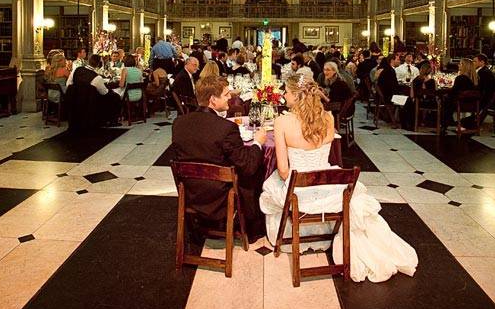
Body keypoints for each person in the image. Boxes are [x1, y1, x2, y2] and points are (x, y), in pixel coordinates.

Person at [259, 75, 417, 282]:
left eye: (286, 92)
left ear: (296, 96)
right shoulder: (328, 118)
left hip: (299, 192)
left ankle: (285, 236)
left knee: (270, 186)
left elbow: (282, 170)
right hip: (330, 188)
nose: (283, 95)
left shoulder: (282, 122)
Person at [172, 75, 267, 239]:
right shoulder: (226, 128)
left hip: (189, 193)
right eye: (226, 94)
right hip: (220, 197)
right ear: (212, 100)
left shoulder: (179, 123)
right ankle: (252, 225)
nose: (230, 97)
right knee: (257, 169)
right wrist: (258, 143)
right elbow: (249, 166)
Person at [66, 54, 121, 130]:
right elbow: (104, 93)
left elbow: (68, 84)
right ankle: (111, 121)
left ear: (88, 61)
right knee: (115, 97)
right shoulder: (96, 78)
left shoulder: (76, 70)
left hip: (75, 100)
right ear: (98, 64)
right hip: (90, 102)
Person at [443, 58, 479, 129]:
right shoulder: (475, 78)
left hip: (460, 103)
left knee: (443, 100)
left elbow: (453, 92)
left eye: (460, 64)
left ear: (464, 66)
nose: (458, 65)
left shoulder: (461, 78)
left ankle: (444, 123)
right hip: (472, 103)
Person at [376, 53, 402, 126]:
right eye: (398, 59)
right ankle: (400, 120)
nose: (399, 61)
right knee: (408, 100)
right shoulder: (390, 71)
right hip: (388, 96)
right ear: (392, 60)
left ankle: (391, 118)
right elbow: (393, 86)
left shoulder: (387, 69)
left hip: (383, 94)